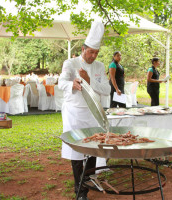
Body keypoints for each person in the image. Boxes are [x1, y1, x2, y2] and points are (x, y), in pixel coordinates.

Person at [58, 21, 111, 200]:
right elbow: (61, 83)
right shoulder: (70, 63)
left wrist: (89, 80)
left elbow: (106, 89)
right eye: (91, 52)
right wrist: (71, 84)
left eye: (96, 53)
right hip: (75, 112)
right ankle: (80, 192)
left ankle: (88, 181)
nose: (93, 56)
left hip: (93, 113)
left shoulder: (100, 66)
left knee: (93, 148)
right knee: (77, 151)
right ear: (83, 49)